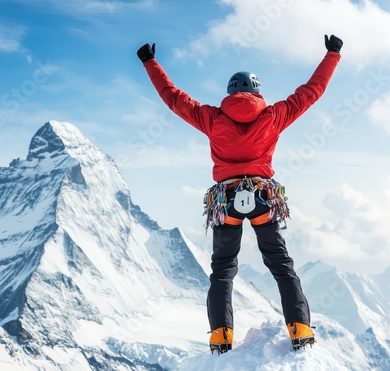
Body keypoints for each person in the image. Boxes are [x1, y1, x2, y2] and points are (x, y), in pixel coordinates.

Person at [136, 34, 343, 353]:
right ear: (258, 92)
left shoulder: (212, 118)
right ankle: (300, 329)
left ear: (230, 92)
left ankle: (221, 338)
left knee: (222, 270)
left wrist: (150, 62)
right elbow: (310, 92)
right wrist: (332, 54)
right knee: (281, 265)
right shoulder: (274, 116)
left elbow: (174, 98)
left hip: (226, 200)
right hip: (262, 196)